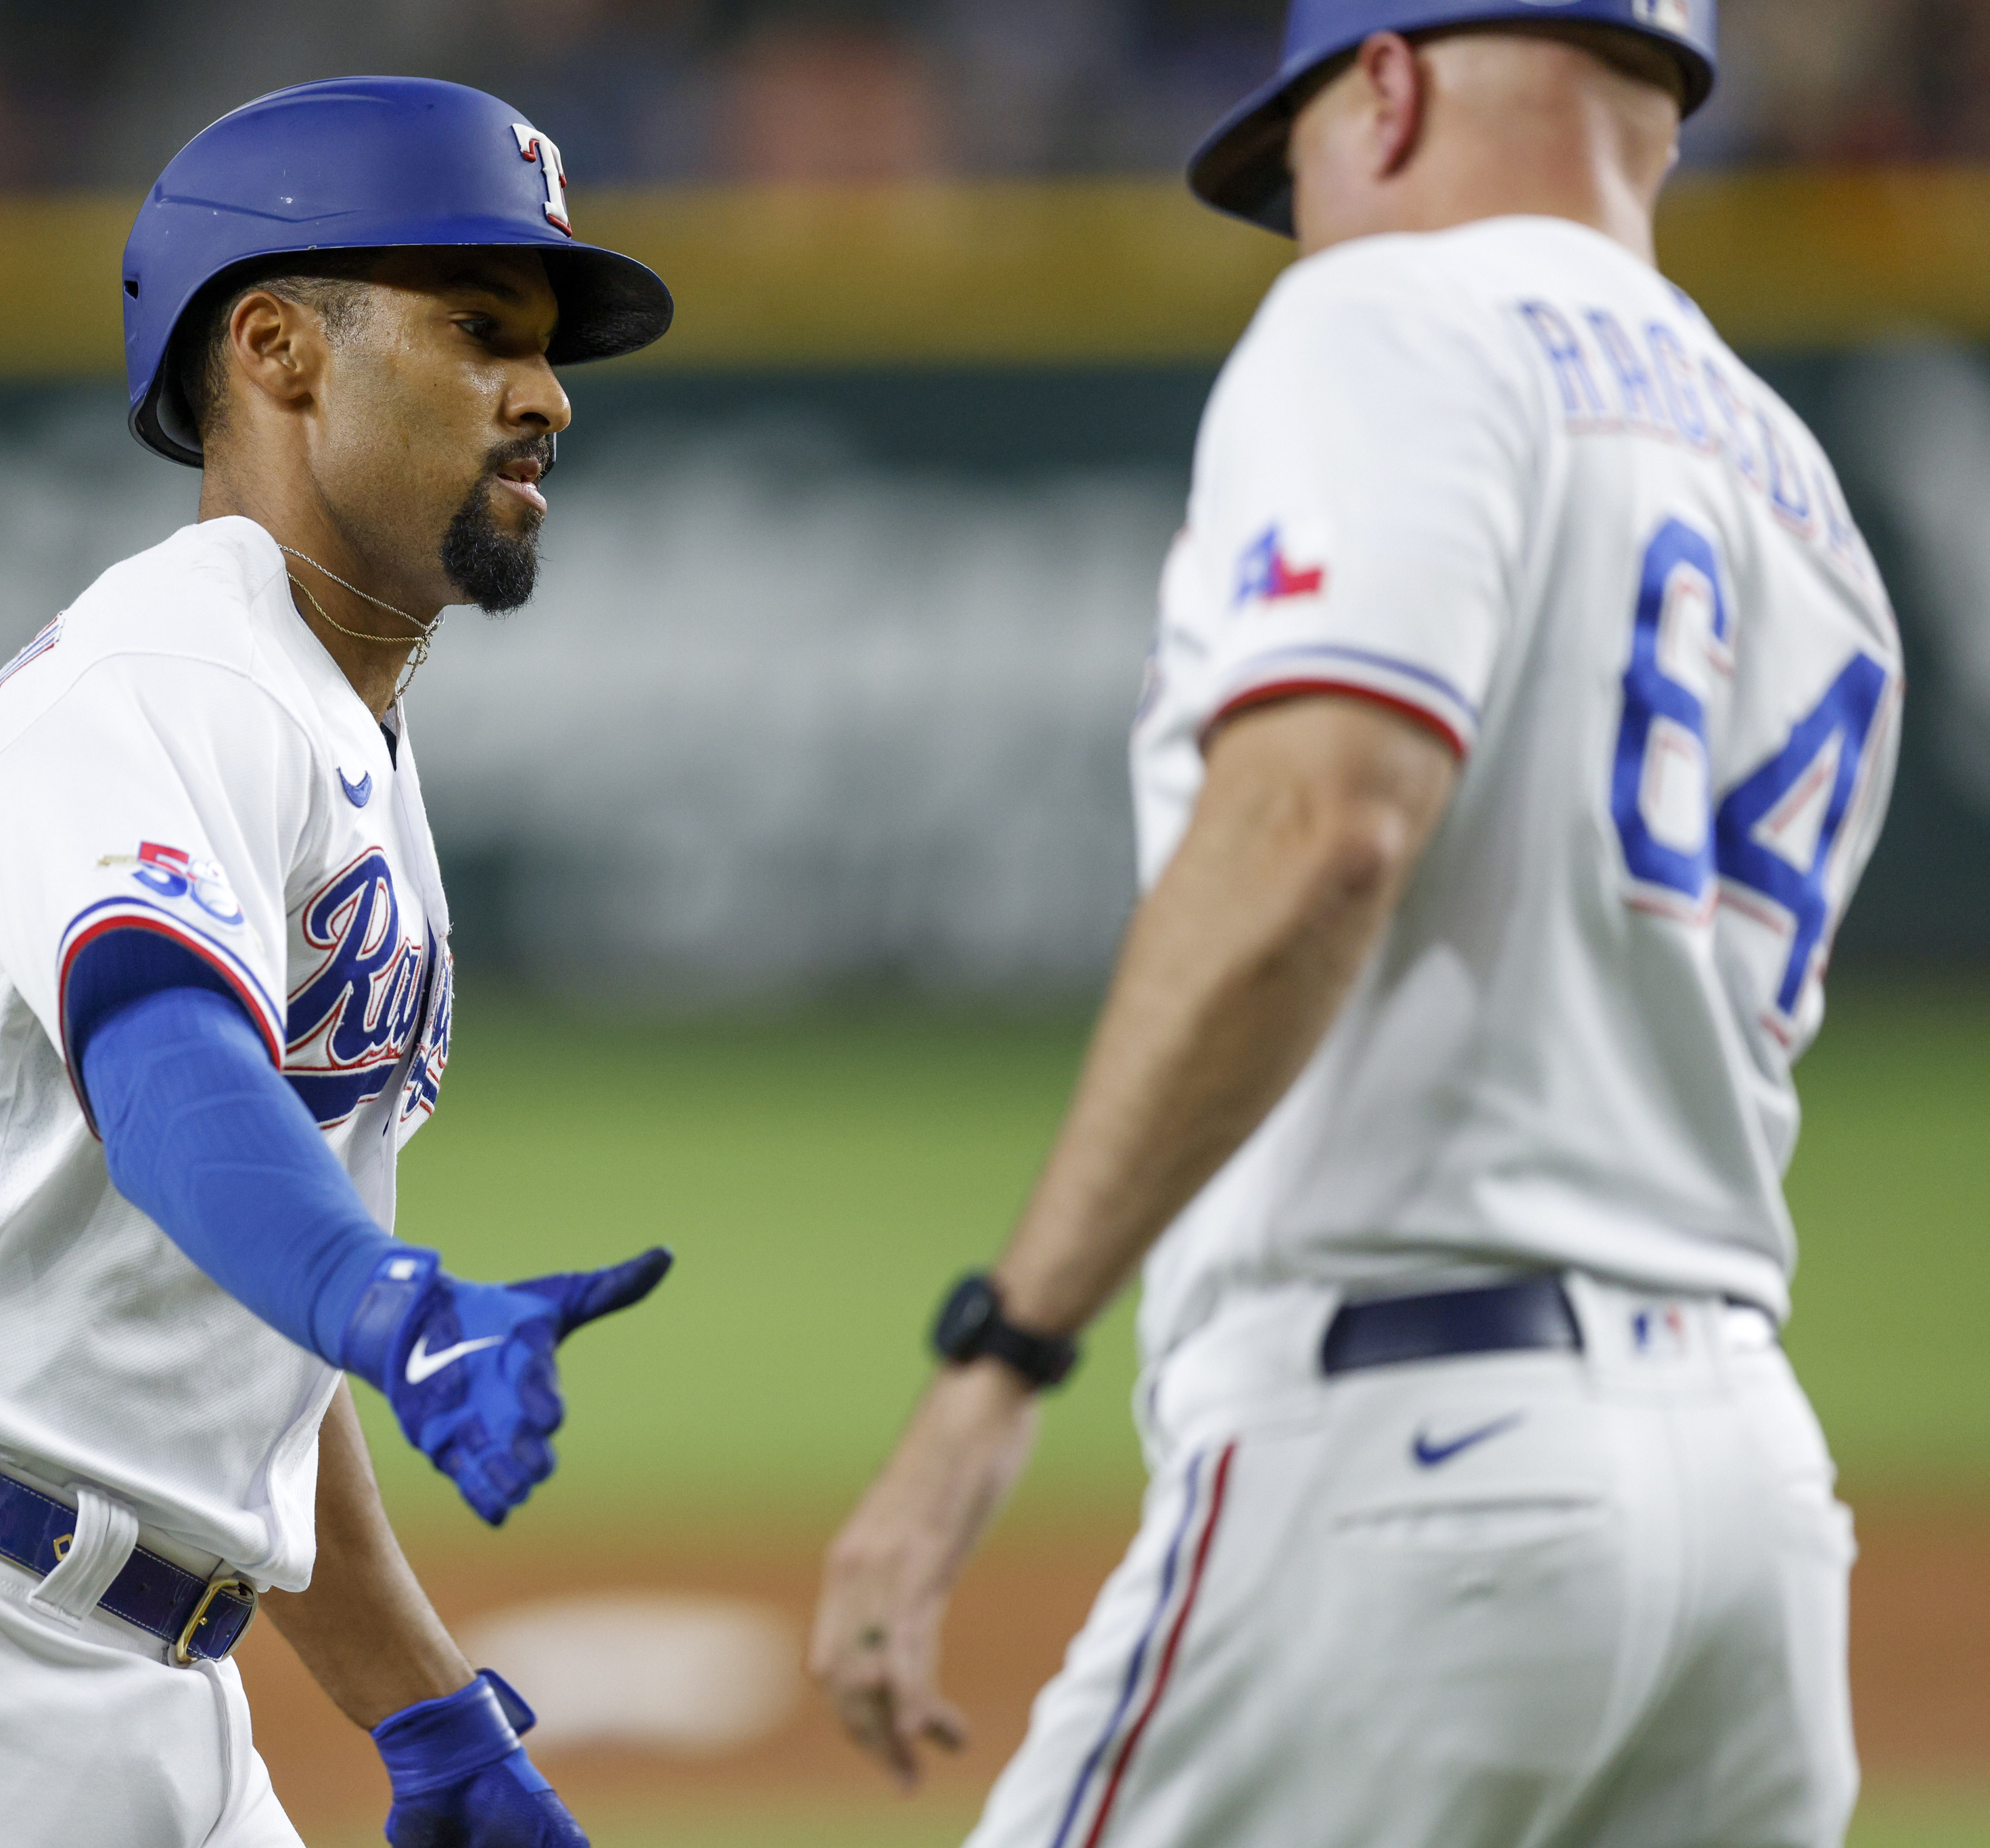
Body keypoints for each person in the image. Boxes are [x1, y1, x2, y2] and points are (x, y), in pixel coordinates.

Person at [810, 5, 1897, 1845]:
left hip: (1414, 1461)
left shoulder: (1392, 315)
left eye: (1291, 158)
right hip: (1754, 1510)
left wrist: (1000, 1357)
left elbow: (1318, 832)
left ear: (1384, 85)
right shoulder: (1803, 481)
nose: (1300, 218)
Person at [0, 76, 674, 1848]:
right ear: (278, 349)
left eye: (549, 349)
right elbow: (170, 1076)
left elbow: (235, 1298)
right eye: (483, 330)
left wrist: (430, 1717)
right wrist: (392, 1303)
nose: (544, 393)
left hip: (146, 1690)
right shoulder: (164, 677)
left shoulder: (340, 741)